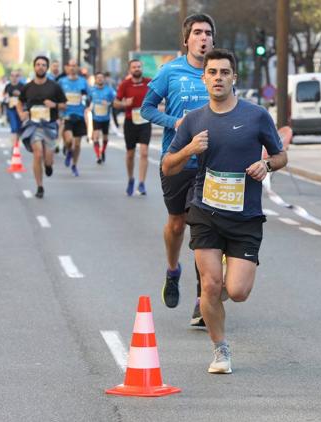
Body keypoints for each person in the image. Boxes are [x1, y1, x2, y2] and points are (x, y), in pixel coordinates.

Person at [162, 49, 287, 373]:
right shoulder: (193, 120)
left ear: (234, 78)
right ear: (204, 78)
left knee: (237, 291)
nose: (218, 78)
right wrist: (189, 149)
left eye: (224, 72)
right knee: (211, 285)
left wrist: (266, 164)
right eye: (212, 72)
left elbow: (280, 156)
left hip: (245, 216)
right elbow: (168, 166)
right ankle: (221, 351)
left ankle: (223, 288)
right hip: (205, 211)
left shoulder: (256, 115)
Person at [142, 13, 215, 326]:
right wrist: (176, 123)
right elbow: (146, 108)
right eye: (197, 33)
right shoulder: (170, 71)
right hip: (177, 160)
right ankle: (173, 271)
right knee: (177, 224)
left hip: (212, 165)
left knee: (203, 228)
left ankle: (203, 299)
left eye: (208, 33)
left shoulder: (218, 72)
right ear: (187, 40)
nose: (203, 38)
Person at [17, 56, 67, 198]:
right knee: (37, 154)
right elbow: (20, 102)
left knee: (48, 158)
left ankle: (49, 165)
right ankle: (40, 187)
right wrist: (21, 113)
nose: (40, 67)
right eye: (38, 64)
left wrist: (55, 105)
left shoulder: (54, 87)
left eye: (43, 65)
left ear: (47, 68)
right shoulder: (28, 87)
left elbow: (64, 104)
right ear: (34, 67)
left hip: (49, 125)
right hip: (33, 125)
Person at [114, 59, 152, 195]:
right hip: (130, 122)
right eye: (134, 67)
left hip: (145, 121)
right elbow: (115, 103)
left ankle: (141, 183)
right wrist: (124, 104)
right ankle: (131, 179)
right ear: (130, 70)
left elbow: (158, 95)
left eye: (139, 66)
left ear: (142, 68)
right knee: (130, 154)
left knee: (144, 152)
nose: (137, 69)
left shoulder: (149, 82)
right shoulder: (125, 84)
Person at [59, 59, 89, 177]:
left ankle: (74, 165)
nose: (72, 68)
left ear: (77, 68)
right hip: (67, 115)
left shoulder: (83, 82)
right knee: (69, 140)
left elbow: (89, 95)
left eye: (74, 66)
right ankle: (68, 151)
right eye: (70, 66)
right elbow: (57, 95)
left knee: (77, 144)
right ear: (67, 68)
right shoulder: (62, 82)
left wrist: (86, 101)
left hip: (80, 115)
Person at [88, 71, 116, 164]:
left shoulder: (109, 90)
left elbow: (116, 101)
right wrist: (89, 107)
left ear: (104, 79)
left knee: (105, 138)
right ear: (95, 80)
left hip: (106, 118)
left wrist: (108, 103)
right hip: (96, 117)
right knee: (95, 136)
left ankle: (103, 151)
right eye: (98, 77)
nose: (100, 79)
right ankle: (98, 156)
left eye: (101, 77)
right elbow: (88, 101)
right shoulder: (92, 90)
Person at [4, 71, 25, 148]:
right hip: (11, 109)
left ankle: (16, 142)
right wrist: (8, 98)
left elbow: (26, 98)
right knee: (14, 127)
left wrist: (20, 94)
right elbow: (4, 97)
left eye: (16, 76)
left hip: (20, 110)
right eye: (12, 76)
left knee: (19, 128)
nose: (14, 77)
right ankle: (14, 146)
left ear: (19, 77)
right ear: (10, 77)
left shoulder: (22, 86)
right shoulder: (8, 86)